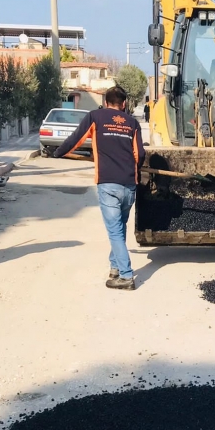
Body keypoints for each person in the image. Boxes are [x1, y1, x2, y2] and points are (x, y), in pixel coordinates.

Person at [55, 85, 144, 291]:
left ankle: (126, 276)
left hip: (108, 184)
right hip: (129, 186)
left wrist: (59, 152)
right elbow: (140, 155)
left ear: (105, 102)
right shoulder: (132, 123)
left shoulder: (95, 117)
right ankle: (115, 267)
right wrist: (133, 170)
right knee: (119, 229)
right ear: (123, 104)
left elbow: (76, 139)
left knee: (114, 232)